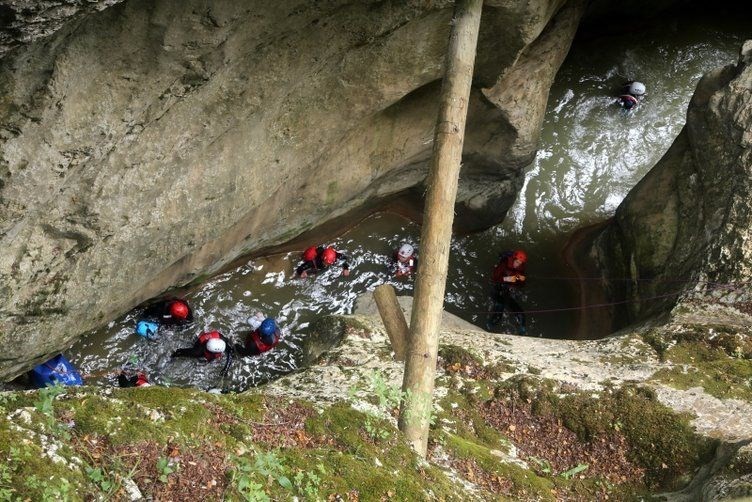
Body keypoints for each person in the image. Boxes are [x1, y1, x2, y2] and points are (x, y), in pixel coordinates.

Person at [487, 249, 528, 335]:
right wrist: (506, 279)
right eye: (517, 262)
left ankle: (522, 329)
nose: (517, 265)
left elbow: (521, 284)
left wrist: (521, 279)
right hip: (498, 287)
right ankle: (490, 325)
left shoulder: (520, 269)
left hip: (508, 289)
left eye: (520, 263)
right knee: (499, 311)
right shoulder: (504, 264)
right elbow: (494, 278)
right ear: (513, 259)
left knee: (521, 314)